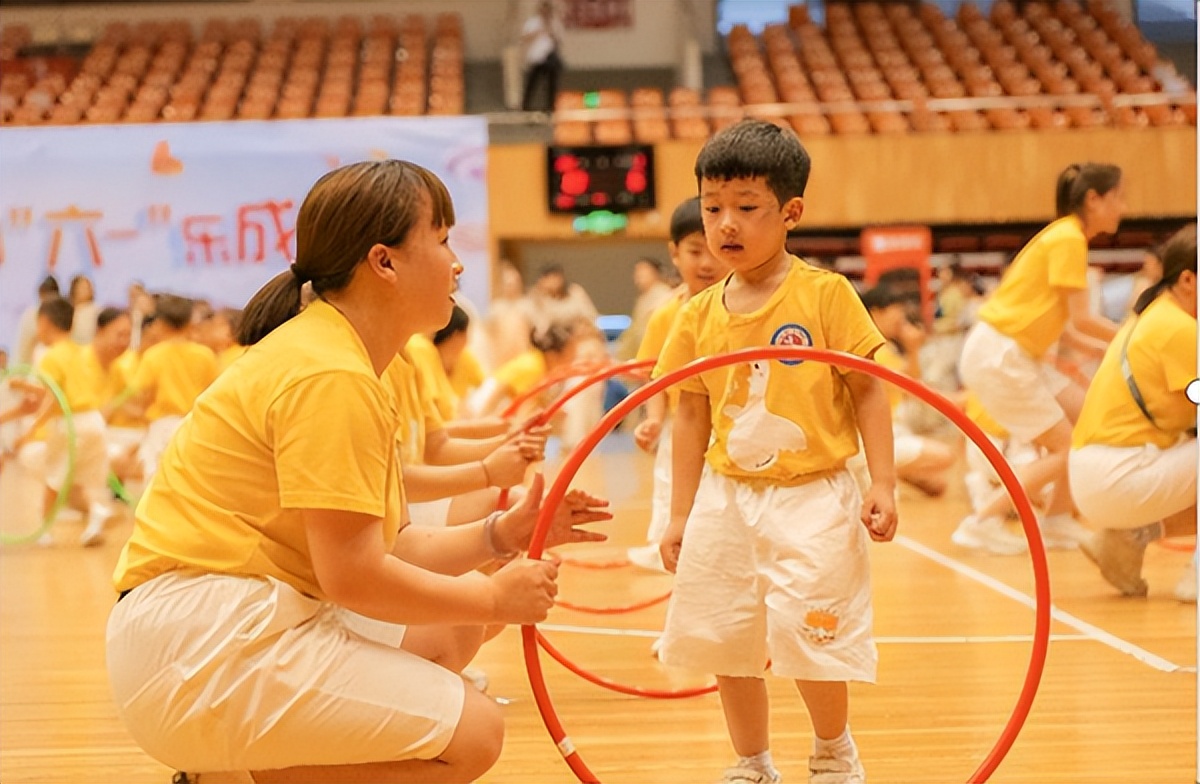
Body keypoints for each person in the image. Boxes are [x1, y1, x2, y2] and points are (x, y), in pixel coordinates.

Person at [106, 160, 611, 782]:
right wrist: (492, 590)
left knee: (450, 634)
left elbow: (384, 544)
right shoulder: (331, 373)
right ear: (385, 262)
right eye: (444, 239)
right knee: (476, 734)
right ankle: (230, 768)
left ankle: (226, 767)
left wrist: (500, 536)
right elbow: (353, 573)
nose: (457, 264)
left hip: (210, 627)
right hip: (204, 641)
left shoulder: (340, 356)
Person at [656, 120, 897, 784]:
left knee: (808, 634)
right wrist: (678, 515)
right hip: (726, 495)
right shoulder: (696, 315)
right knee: (725, 635)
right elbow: (690, 412)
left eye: (746, 208)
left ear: (791, 213)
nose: (725, 225)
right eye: (712, 209)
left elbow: (870, 389)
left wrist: (884, 482)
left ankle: (832, 753)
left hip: (811, 493)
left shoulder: (824, 295)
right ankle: (752, 763)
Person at [954, 163, 1125, 554]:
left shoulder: (1062, 237)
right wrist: (1134, 338)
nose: (1123, 207)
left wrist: (1105, 349)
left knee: (1086, 423)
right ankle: (981, 521)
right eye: (1118, 197)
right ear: (1094, 199)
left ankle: (1057, 520)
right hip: (1001, 353)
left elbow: (1066, 328)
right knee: (1068, 446)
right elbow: (1083, 318)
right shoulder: (1069, 239)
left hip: (1015, 353)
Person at [1069, 225, 1197, 601]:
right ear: (1188, 279)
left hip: (1106, 471)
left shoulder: (1156, 315)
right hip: (1119, 473)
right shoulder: (1179, 329)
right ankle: (1195, 578)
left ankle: (1130, 537)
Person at [627, 196, 730, 571]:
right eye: (694, 251)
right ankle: (665, 544)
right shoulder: (666, 315)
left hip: (728, 421)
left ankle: (717, 551)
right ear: (674, 253)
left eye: (714, 251)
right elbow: (658, 377)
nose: (706, 262)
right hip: (680, 423)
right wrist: (653, 419)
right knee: (671, 482)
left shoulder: (740, 307)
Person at [8, 297, 115, 545]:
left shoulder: (51, 356)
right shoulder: (83, 351)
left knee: (53, 478)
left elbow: (53, 399)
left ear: (43, 324)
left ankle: (44, 530)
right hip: (94, 422)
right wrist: (25, 385)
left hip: (69, 425)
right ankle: (96, 516)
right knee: (89, 477)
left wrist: (32, 430)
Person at [859, 285, 956, 497]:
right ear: (876, 312)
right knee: (944, 456)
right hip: (879, 434)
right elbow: (913, 388)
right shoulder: (875, 351)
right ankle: (876, 470)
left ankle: (894, 472)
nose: (901, 320)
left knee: (937, 481)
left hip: (893, 428)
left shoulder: (886, 348)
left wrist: (912, 348)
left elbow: (910, 382)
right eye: (896, 314)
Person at [127, 294, 218, 479]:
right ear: (189, 322)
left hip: (162, 424)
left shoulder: (154, 355)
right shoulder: (205, 355)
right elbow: (213, 393)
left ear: (160, 323)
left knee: (154, 479)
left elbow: (142, 394)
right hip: (194, 424)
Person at [615, 257, 675, 362]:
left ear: (656, 273)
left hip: (658, 352)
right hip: (642, 352)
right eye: (637, 273)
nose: (638, 276)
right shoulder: (643, 299)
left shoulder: (666, 295)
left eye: (643, 272)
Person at [523, 263, 598, 335]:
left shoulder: (575, 291)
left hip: (579, 336)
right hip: (550, 341)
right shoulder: (536, 297)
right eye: (551, 277)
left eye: (557, 276)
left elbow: (590, 316)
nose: (555, 281)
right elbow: (541, 326)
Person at [520, 0, 565, 112]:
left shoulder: (555, 23)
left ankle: (550, 106)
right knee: (532, 82)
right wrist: (538, 31)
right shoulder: (533, 22)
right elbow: (525, 38)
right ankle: (525, 106)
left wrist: (549, 29)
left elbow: (558, 40)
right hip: (536, 57)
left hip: (549, 57)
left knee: (551, 82)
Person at [15, 275, 60, 365]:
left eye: (51, 293)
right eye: (45, 293)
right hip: (29, 367)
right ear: (40, 293)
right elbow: (23, 348)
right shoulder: (31, 314)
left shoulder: (60, 315)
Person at [68, 274, 98, 346]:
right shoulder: (67, 311)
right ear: (74, 289)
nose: (89, 289)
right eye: (83, 287)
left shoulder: (97, 311)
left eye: (89, 287)